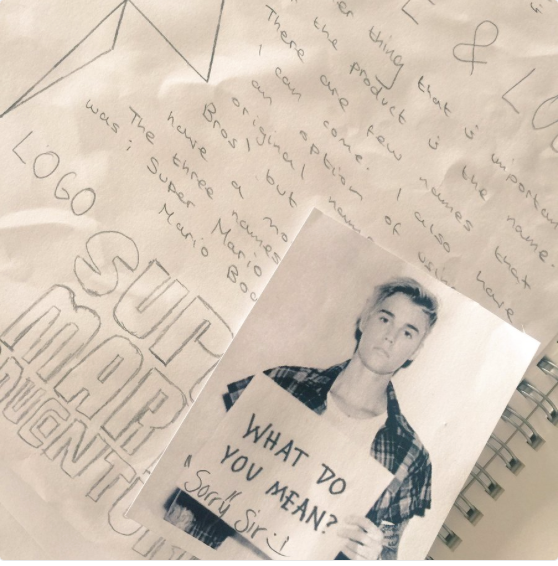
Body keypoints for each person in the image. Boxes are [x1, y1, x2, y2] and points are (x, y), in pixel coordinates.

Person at [165, 277, 439, 560]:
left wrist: (373, 556)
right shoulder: (283, 382)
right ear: (365, 319)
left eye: (408, 333)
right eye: (385, 319)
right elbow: (197, 491)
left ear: (416, 350)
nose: (391, 336)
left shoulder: (411, 455)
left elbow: (389, 551)